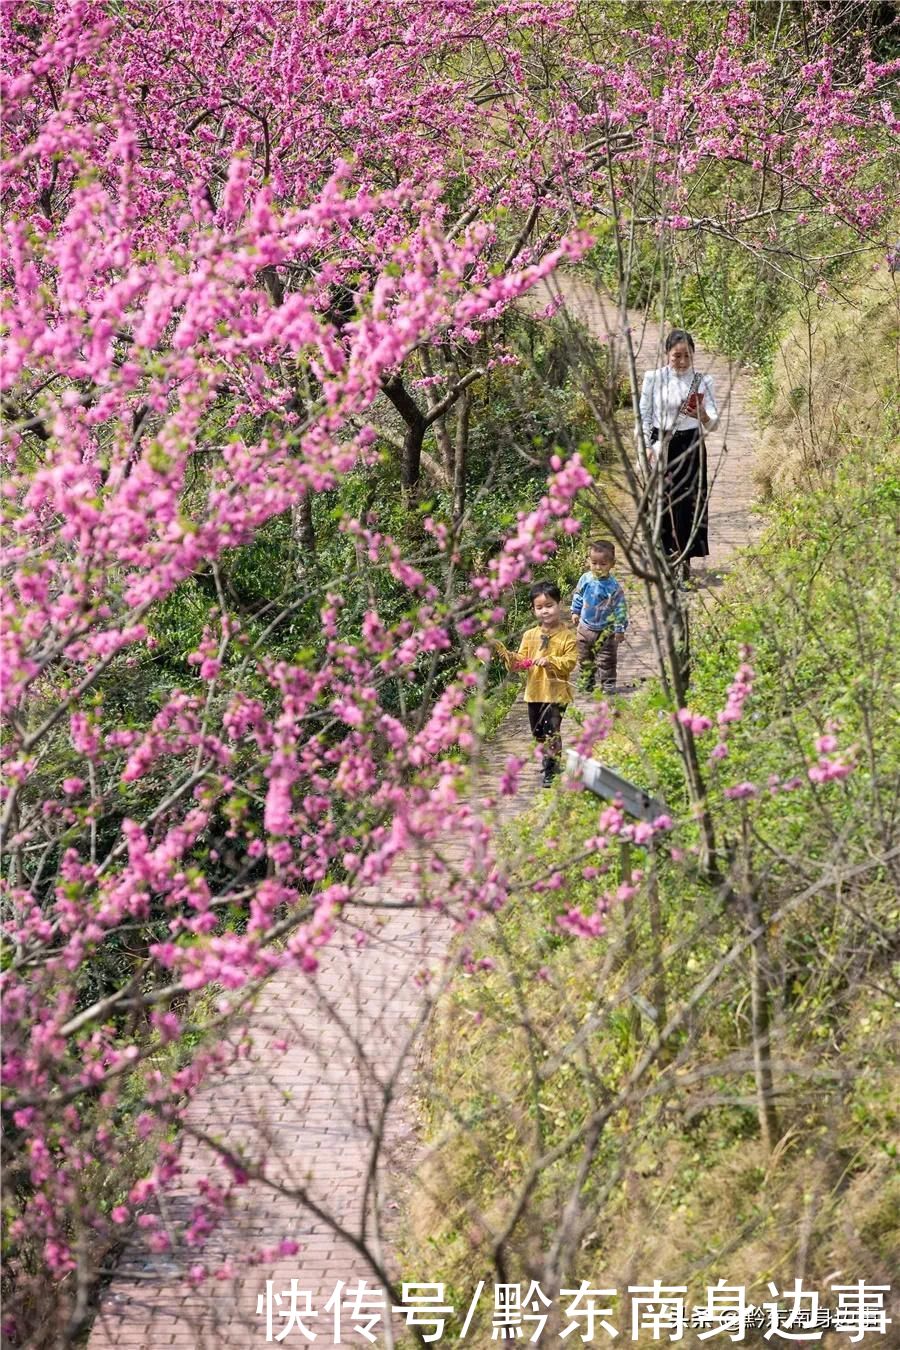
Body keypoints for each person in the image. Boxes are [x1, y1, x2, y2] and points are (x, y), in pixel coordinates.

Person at [639, 328, 718, 585]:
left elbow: (713, 422)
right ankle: (666, 557)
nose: (682, 362)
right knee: (664, 502)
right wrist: (647, 447)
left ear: (693, 354)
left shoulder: (703, 381)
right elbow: (645, 416)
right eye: (676, 356)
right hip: (663, 444)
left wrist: (703, 415)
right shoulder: (654, 379)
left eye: (687, 355)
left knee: (691, 502)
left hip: (692, 444)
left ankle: (686, 558)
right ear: (667, 355)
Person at [494, 581, 577, 788]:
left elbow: (570, 663)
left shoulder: (567, 636)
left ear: (559, 604)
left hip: (556, 694)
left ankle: (550, 768)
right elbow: (522, 662)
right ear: (533, 610)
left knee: (551, 732)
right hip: (534, 693)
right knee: (539, 734)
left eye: (549, 605)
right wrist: (509, 657)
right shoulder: (530, 636)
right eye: (539, 607)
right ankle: (551, 759)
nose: (545, 611)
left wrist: (551, 662)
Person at [571, 539, 628, 694]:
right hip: (584, 627)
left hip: (605, 631)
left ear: (612, 564)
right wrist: (575, 611)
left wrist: (619, 629)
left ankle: (608, 684)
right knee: (584, 658)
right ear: (589, 561)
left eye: (603, 564)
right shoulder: (585, 579)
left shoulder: (613, 586)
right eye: (594, 563)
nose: (598, 567)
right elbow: (578, 595)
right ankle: (587, 682)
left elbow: (620, 609)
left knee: (606, 660)